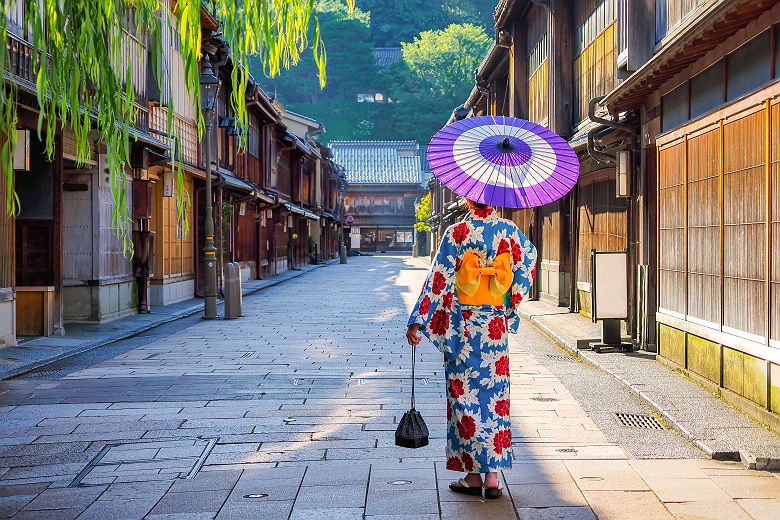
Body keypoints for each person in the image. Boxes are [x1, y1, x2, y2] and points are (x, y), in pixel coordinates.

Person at [406, 200, 537, 499]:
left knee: (463, 397)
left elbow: (437, 280)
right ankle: (493, 477)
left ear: (467, 199)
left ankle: (472, 476)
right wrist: (508, 301)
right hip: (493, 327)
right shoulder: (509, 231)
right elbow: (528, 259)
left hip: (463, 326)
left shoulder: (457, 232)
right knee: (495, 399)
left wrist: (418, 321)